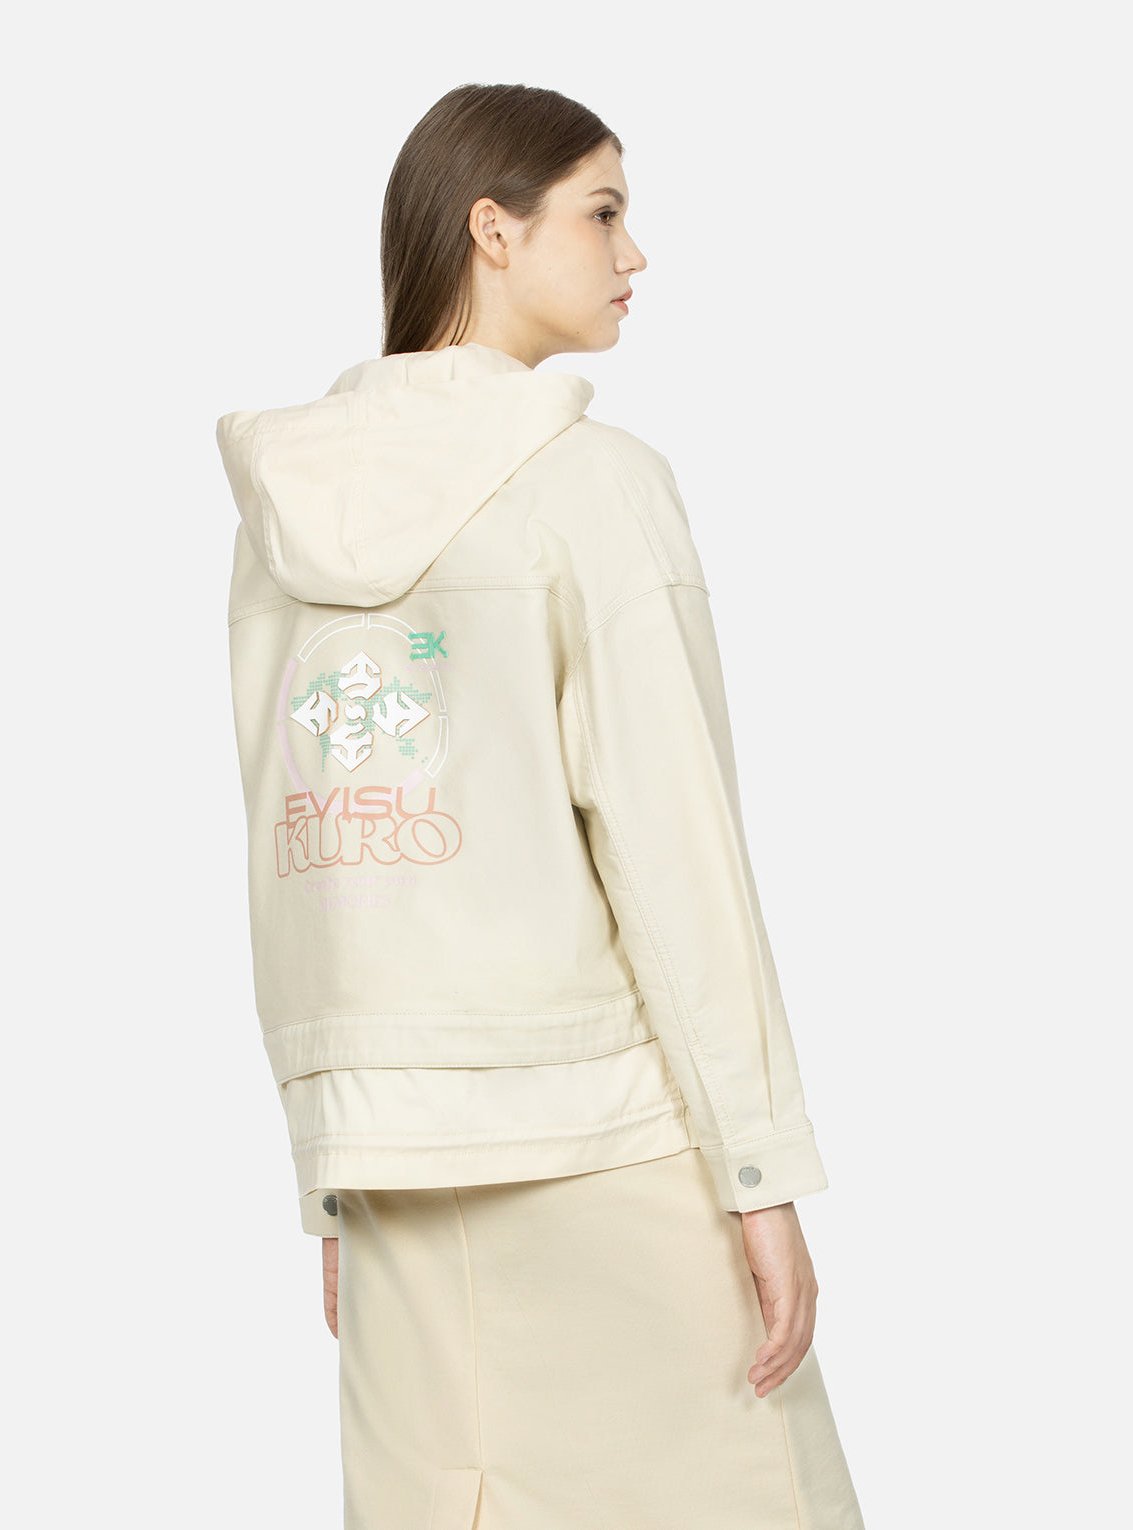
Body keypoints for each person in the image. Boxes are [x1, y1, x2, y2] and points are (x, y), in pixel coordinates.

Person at [216, 82, 865, 1530]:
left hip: (394, 1166)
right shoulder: (595, 486)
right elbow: (676, 847)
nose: (637, 255)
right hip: (609, 1141)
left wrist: (334, 1165)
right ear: (491, 230)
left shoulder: (277, 517)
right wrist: (760, 1168)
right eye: (605, 211)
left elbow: (298, 862)